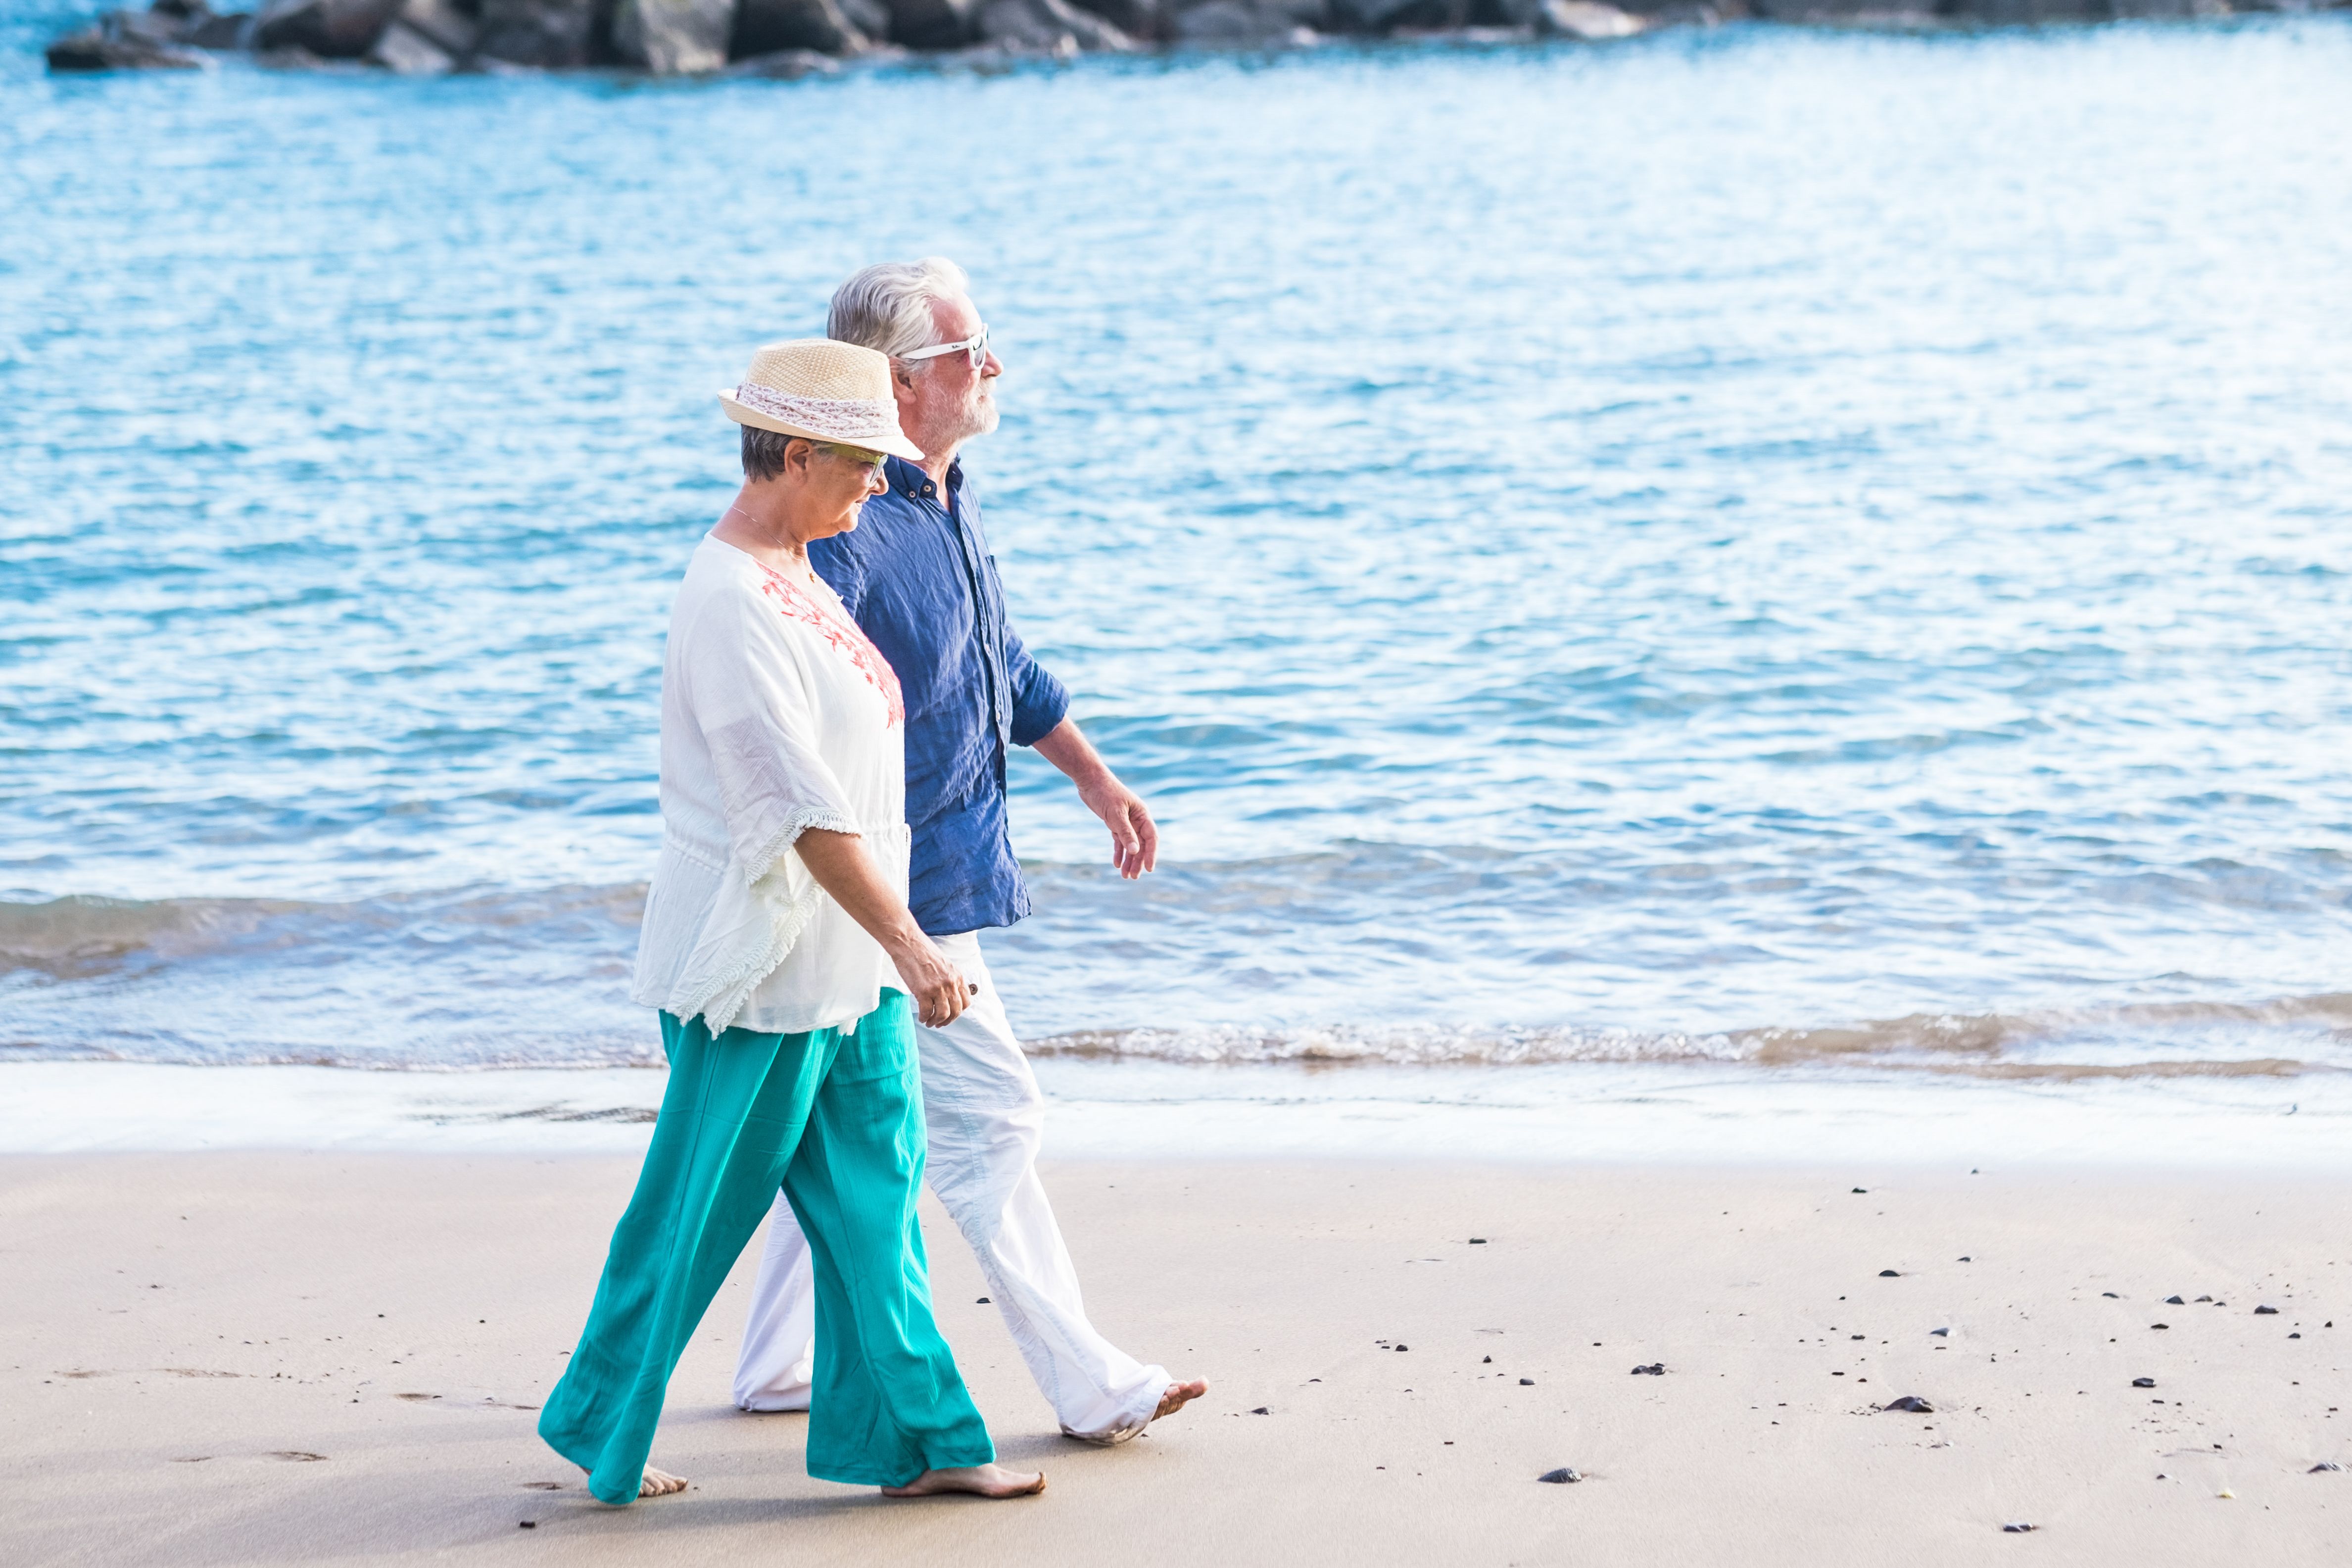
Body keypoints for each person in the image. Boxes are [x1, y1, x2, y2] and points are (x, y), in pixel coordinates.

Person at [537, 337, 1043, 1505]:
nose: (880, 484)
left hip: (847, 966)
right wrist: (915, 946)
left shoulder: (805, 566)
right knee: (695, 1214)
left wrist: (886, 948)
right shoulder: (726, 599)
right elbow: (795, 807)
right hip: (759, 974)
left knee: (878, 1204)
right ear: (798, 452)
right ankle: (596, 1418)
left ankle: (919, 1442)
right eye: (864, 463)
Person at [732, 259, 1206, 1443]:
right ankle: (1094, 1386)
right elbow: (794, 714)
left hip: (932, 872)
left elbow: (1000, 662)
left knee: (824, 1120)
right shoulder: (842, 528)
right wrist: (869, 904)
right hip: (890, 887)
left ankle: (775, 1363)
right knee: (993, 1119)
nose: (992, 367)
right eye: (968, 351)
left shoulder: (948, 491)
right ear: (896, 383)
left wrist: (1093, 776)